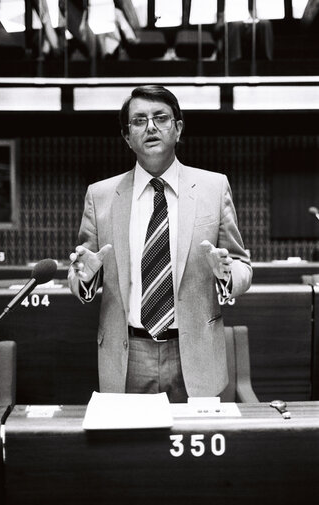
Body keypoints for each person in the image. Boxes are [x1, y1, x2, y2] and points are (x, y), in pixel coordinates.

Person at [68, 85, 252, 403]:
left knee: (197, 450)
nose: (150, 127)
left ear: (177, 128)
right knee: (129, 451)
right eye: (139, 120)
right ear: (127, 136)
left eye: (160, 117)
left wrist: (226, 274)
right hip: (128, 352)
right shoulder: (100, 196)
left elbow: (240, 265)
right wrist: (84, 278)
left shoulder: (213, 187)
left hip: (194, 350)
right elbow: (84, 268)